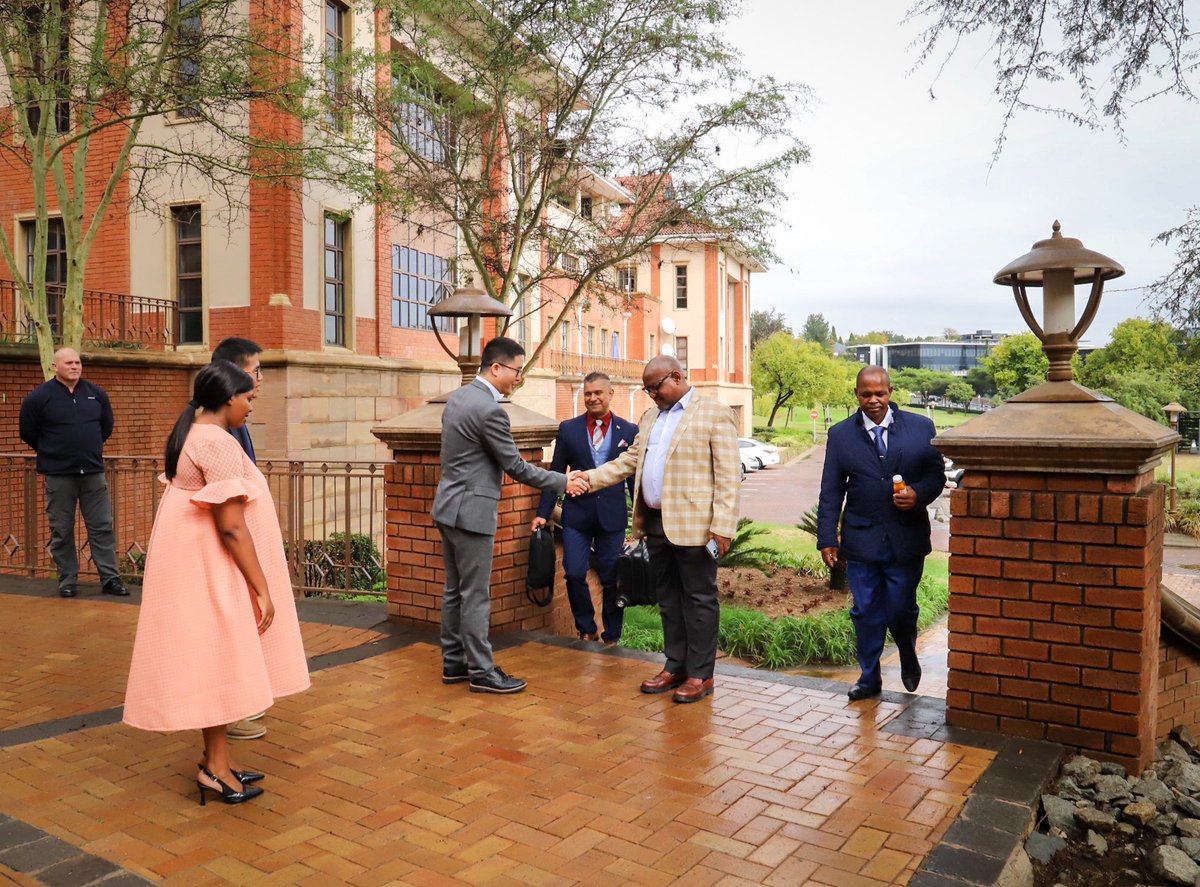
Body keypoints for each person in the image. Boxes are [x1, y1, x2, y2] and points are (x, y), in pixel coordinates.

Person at [123, 360, 309, 805]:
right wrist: (261, 586)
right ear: (228, 398)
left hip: (195, 563)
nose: (250, 407)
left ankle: (217, 760)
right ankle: (215, 768)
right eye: (248, 398)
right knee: (220, 659)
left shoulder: (190, 431)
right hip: (212, 567)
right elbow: (232, 526)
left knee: (217, 660)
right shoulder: (217, 442)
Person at [434, 337, 588, 694]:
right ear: (497, 368)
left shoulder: (457, 399)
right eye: (516, 371)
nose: (518, 378)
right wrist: (564, 480)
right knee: (475, 594)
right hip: (472, 514)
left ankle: (454, 662)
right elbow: (516, 467)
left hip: (447, 508)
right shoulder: (490, 410)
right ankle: (483, 672)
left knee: (455, 590)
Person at [584, 356, 740, 704]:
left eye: (655, 387)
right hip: (655, 523)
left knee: (699, 600)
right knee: (668, 598)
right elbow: (631, 461)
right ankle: (675, 665)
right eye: (647, 389)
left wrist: (723, 528)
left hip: (696, 528)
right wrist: (589, 479)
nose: (651, 394)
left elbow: (729, 477)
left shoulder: (714, 413)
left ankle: (701, 675)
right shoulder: (650, 417)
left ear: (677, 376)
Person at [817, 365, 944, 701]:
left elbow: (936, 476)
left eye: (879, 393)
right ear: (857, 394)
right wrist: (827, 537)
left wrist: (918, 494)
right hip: (861, 541)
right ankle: (869, 676)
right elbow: (831, 491)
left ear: (890, 392)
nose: (873, 400)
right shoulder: (840, 434)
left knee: (902, 608)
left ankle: (906, 649)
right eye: (865, 394)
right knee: (866, 610)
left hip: (906, 539)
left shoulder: (921, 428)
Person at [533, 372, 638, 644]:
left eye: (598, 393)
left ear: (610, 394)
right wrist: (543, 514)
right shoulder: (568, 429)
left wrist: (642, 522)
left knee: (611, 577)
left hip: (612, 518)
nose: (592, 398)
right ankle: (586, 627)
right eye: (588, 394)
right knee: (575, 572)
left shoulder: (628, 431)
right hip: (577, 516)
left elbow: (634, 482)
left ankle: (612, 635)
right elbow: (556, 473)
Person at [18, 347, 128, 599]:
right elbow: (28, 432)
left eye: (78, 362)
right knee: (62, 529)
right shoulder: (39, 397)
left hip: (92, 472)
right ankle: (67, 580)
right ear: (55, 367)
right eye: (69, 363)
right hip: (59, 475)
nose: (75, 366)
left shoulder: (96, 394)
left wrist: (86, 448)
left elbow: (106, 428)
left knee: (102, 527)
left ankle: (110, 579)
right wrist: (52, 451)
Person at [211, 337, 266, 741]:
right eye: (255, 371)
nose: (259, 381)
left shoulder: (230, 422)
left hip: (236, 544)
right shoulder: (215, 434)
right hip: (227, 549)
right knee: (228, 629)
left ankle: (237, 706)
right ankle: (228, 713)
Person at [211, 337, 263, 461]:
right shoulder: (216, 434)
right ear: (234, 374)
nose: (260, 377)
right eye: (255, 371)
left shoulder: (236, 419)